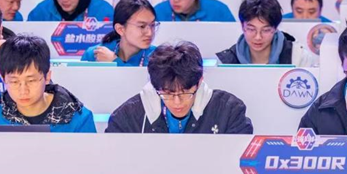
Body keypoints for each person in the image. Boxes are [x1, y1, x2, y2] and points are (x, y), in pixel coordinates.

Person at [106, 42, 252, 134]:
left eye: (185, 93)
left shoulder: (229, 111)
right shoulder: (127, 117)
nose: (177, 102)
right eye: (167, 93)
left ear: (199, 81)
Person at [0, 34, 96, 132]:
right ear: (3, 79)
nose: (23, 90)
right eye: (14, 81)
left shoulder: (79, 118)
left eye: (31, 80)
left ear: (47, 77)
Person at [216, 0, 317, 66]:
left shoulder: (298, 57)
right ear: (242, 26)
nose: (258, 37)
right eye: (251, 29)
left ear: (275, 28)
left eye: (266, 30)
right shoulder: (226, 62)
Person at [81, 0, 158, 67]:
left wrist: (115, 62)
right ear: (120, 29)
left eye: (152, 25)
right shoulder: (95, 55)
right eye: (142, 26)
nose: (150, 33)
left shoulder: (158, 58)